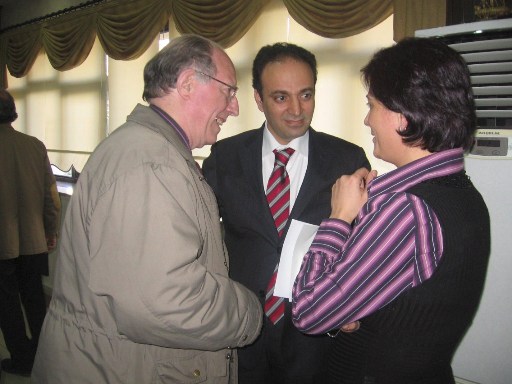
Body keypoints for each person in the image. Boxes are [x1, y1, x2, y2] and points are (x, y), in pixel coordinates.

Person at [31, 34, 263, 384]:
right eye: (229, 91)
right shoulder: (152, 164)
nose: (235, 108)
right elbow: (166, 303)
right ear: (187, 84)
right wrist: (249, 313)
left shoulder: (150, 152)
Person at [292, 37, 491, 384]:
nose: (367, 120)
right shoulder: (464, 193)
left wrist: (339, 216)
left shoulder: (406, 209)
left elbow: (308, 311)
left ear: (402, 113)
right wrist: (350, 310)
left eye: (372, 105)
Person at [203, 42, 370, 384]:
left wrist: (353, 302)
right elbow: (200, 239)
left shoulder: (347, 159)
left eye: (306, 95)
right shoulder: (225, 157)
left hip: (317, 334)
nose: (297, 109)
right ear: (259, 99)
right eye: (281, 97)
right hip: (242, 327)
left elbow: (363, 246)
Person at [0, 89, 61, 376]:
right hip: (33, 238)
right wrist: (50, 229)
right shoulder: (34, 145)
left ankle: (22, 360)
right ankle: (43, 356)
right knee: (35, 301)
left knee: (7, 305)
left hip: (3, 243)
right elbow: (51, 196)